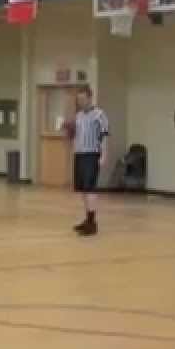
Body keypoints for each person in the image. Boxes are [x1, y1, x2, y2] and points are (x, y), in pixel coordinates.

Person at [68, 86, 109, 236]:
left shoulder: (99, 115)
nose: (81, 102)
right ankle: (87, 218)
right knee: (83, 189)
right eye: (79, 100)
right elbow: (75, 135)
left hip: (92, 154)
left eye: (83, 99)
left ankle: (92, 223)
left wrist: (104, 155)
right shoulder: (78, 116)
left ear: (90, 98)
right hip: (79, 154)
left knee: (90, 188)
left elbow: (104, 135)